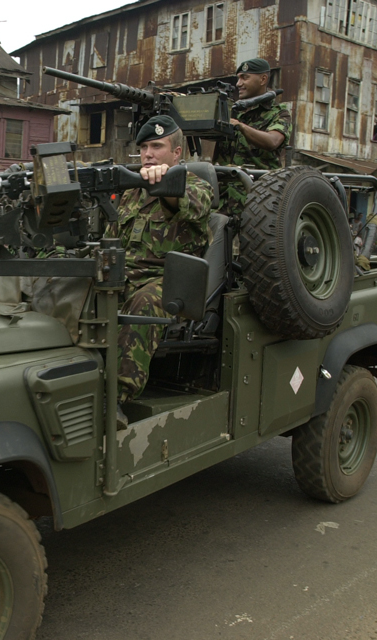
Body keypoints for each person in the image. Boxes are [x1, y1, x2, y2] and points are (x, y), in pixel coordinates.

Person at [111, 116, 212, 428]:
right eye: (143, 147)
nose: (148, 154)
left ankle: (115, 398)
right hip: (124, 274)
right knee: (74, 289)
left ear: (177, 152)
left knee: (142, 306)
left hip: (168, 281)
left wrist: (165, 185)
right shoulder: (130, 192)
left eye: (157, 146)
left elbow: (192, 205)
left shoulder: (195, 185)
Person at [213, 58, 292, 219]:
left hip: (258, 201)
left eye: (245, 77)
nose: (238, 83)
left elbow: (272, 141)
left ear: (263, 79)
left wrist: (240, 126)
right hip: (222, 199)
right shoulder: (232, 110)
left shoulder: (278, 113)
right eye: (238, 78)